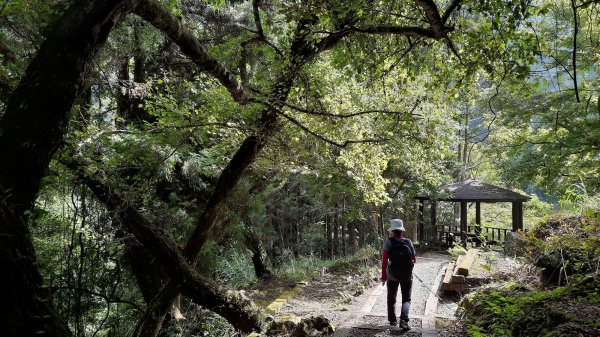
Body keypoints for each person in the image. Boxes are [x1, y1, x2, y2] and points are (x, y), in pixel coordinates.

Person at [380, 218, 416, 330]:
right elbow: (414, 259)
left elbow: (384, 261)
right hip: (407, 276)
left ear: (392, 231)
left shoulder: (389, 242)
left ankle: (392, 320)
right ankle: (404, 320)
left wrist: (384, 277)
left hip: (392, 276)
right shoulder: (409, 242)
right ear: (402, 230)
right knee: (406, 299)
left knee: (391, 298)